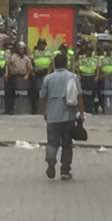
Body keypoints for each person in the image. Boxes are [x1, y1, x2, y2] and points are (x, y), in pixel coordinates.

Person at [39, 52, 83, 181]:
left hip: (52, 116)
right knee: (67, 144)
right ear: (66, 64)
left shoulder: (48, 78)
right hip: (68, 116)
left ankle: (51, 161)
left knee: (52, 142)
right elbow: (79, 96)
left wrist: (45, 112)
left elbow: (42, 97)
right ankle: (65, 170)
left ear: (54, 64)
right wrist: (81, 113)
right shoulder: (73, 77)